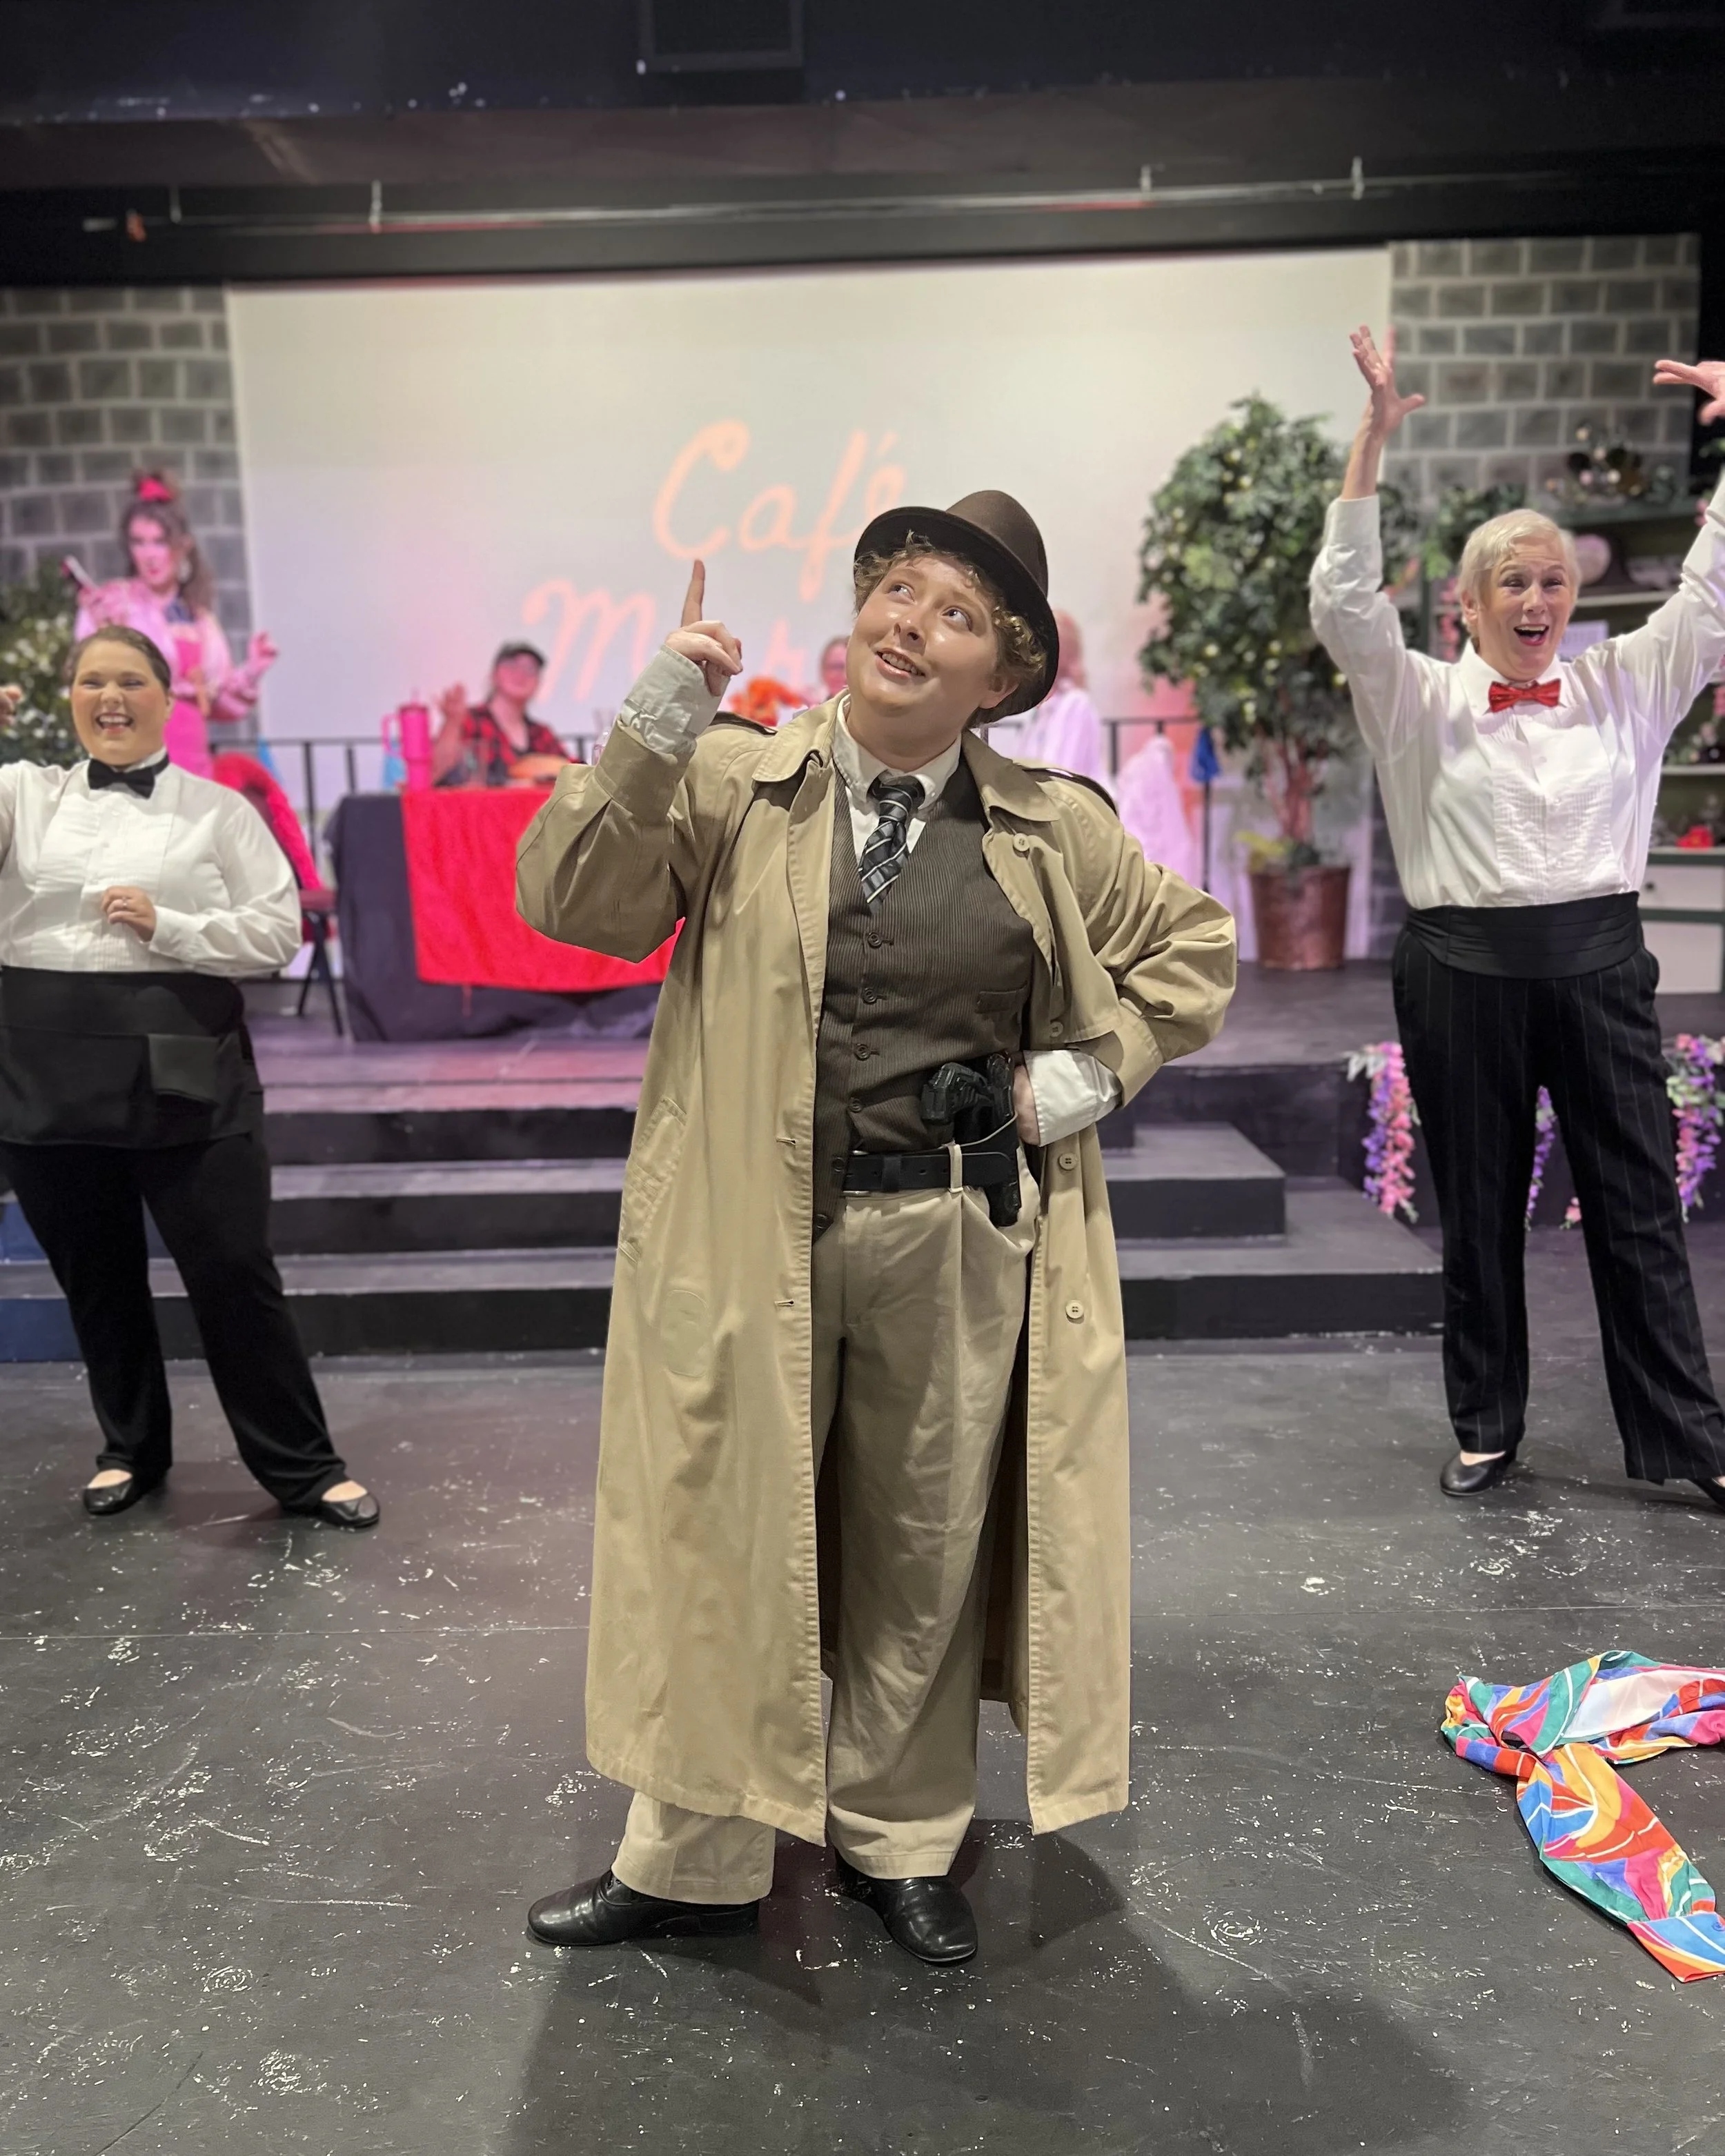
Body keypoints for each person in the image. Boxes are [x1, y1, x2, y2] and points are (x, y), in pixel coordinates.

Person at [517, 491, 1235, 1964]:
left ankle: (898, 1835)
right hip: (744, 1237)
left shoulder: (1052, 829)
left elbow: (1192, 951)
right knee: (721, 1537)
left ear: (1002, 674)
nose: (909, 621)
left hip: (950, 1241)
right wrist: (659, 710)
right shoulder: (728, 780)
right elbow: (570, 900)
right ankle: (691, 1847)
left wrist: (1075, 1076)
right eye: (895, 588)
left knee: (923, 1546)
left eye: (955, 613)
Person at [1310, 328, 1725, 1507]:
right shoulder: (1417, 699)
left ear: (1572, 596)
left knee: (1640, 1212)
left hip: (1598, 963)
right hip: (1461, 970)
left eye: (1552, 580)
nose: (1535, 598)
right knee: (1480, 1213)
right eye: (1512, 581)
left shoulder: (1625, 684)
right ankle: (1487, 1425)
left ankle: (1689, 1440)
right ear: (1469, 601)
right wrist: (1373, 441)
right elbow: (1346, 606)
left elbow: (1713, 593)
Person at [0, 630, 377, 1530]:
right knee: (96, 1280)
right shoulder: (20, 792)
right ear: (70, 699)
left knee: (233, 1273)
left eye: (131, 679)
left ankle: (302, 1465)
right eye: (91, 681)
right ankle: (130, 1446)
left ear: (170, 700)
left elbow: (276, 933)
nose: (110, 695)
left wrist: (170, 925)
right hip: (42, 1064)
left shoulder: (217, 812)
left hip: (185, 1066)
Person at [75, 471, 277, 780]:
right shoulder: (114, 604)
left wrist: (252, 669)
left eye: (160, 542)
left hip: (193, 765)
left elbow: (219, 705)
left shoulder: (198, 617)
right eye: (139, 542)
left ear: (182, 547)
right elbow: (89, 684)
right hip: (133, 763)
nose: (150, 555)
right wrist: (105, 633)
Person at [987, 609, 1112, 791]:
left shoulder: (1076, 704)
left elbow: (1062, 772)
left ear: (1065, 652)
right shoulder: (1042, 706)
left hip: (1072, 804)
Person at [432, 642, 570, 787]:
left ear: (538, 684)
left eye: (530, 669)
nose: (520, 674)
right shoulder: (470, 720)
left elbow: (574, 776)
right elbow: (435, 772)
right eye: (511, 665)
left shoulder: (541, 734)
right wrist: (452, 723)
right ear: (494, 675)